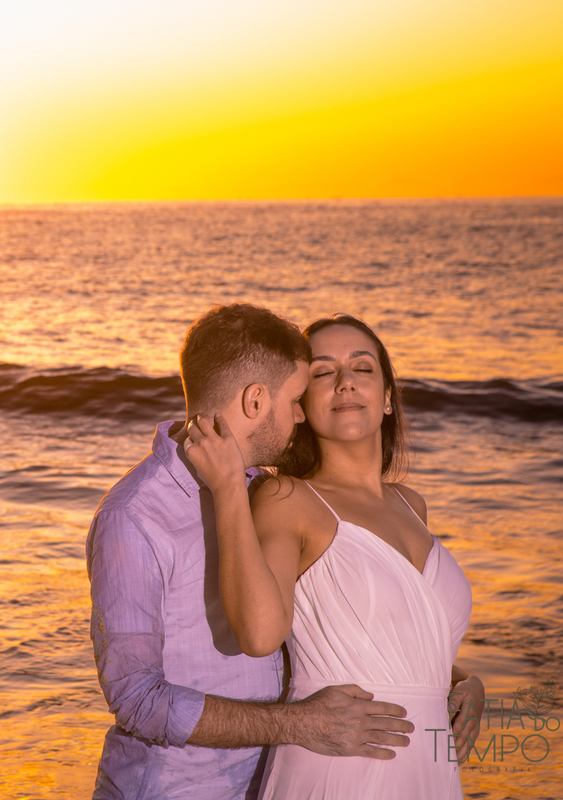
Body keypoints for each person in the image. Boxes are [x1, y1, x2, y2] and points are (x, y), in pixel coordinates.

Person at [87, 304, 416, 800]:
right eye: (297, 399)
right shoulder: (134, 518)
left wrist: (449, 677)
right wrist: (298, 725)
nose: (303, 415)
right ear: (257, 400)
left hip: (271, 785)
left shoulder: (266, 491)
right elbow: (138, 701)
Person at [182, 313, 484, 799]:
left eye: (362, 368)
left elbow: (395, 635)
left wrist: (465, 681)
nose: (345, 382)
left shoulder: (412, 505)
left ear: (388, 397)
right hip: (341, 766)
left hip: (428, 769)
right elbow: (260, 634)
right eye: (323, 372)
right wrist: (227, 487)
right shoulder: (287, 498)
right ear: (302, 402)